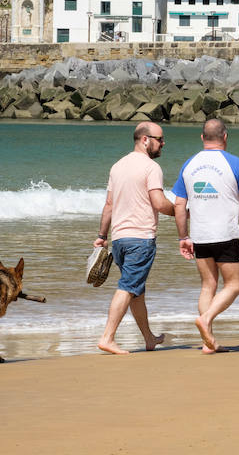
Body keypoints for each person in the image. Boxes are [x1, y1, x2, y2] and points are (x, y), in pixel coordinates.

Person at [173, 119, 239, 354]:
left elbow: (179, 204)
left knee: (207, 285)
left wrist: (183, 236)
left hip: (200, 234)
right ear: (225, 136)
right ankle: (207, 319)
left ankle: (207, 341)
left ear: (202, 138)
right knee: (234, 285)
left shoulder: (189, 164)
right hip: (225, 234)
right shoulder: (235, 163)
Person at [93, 122, 175, 355]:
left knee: (136, 290)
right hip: (140, 238)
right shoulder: (151, 167)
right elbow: (159, 203)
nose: (163, 143)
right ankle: (107, 337)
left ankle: (149, 338)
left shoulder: (117, 166)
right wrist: (182, 212)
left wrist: (101, 235)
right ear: (145, 140)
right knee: (128, 287)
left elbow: (109, 204)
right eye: (160, 139)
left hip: (119, 239)